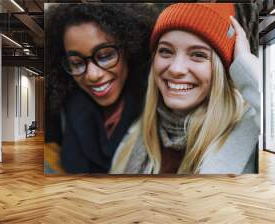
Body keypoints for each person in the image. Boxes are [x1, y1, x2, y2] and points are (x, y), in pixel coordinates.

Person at [110, 3, 261, 174]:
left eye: (198, 55)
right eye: (166, 51)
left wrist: (244, 62)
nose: (176, 69)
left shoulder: (248, 132)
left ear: (222, 70)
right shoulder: (134, 137)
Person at [44, 4, 158, 173]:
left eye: (105, 56)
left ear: (128, 48)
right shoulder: (60, 109)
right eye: (76, 63)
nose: (92, 75)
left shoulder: (156, 106)